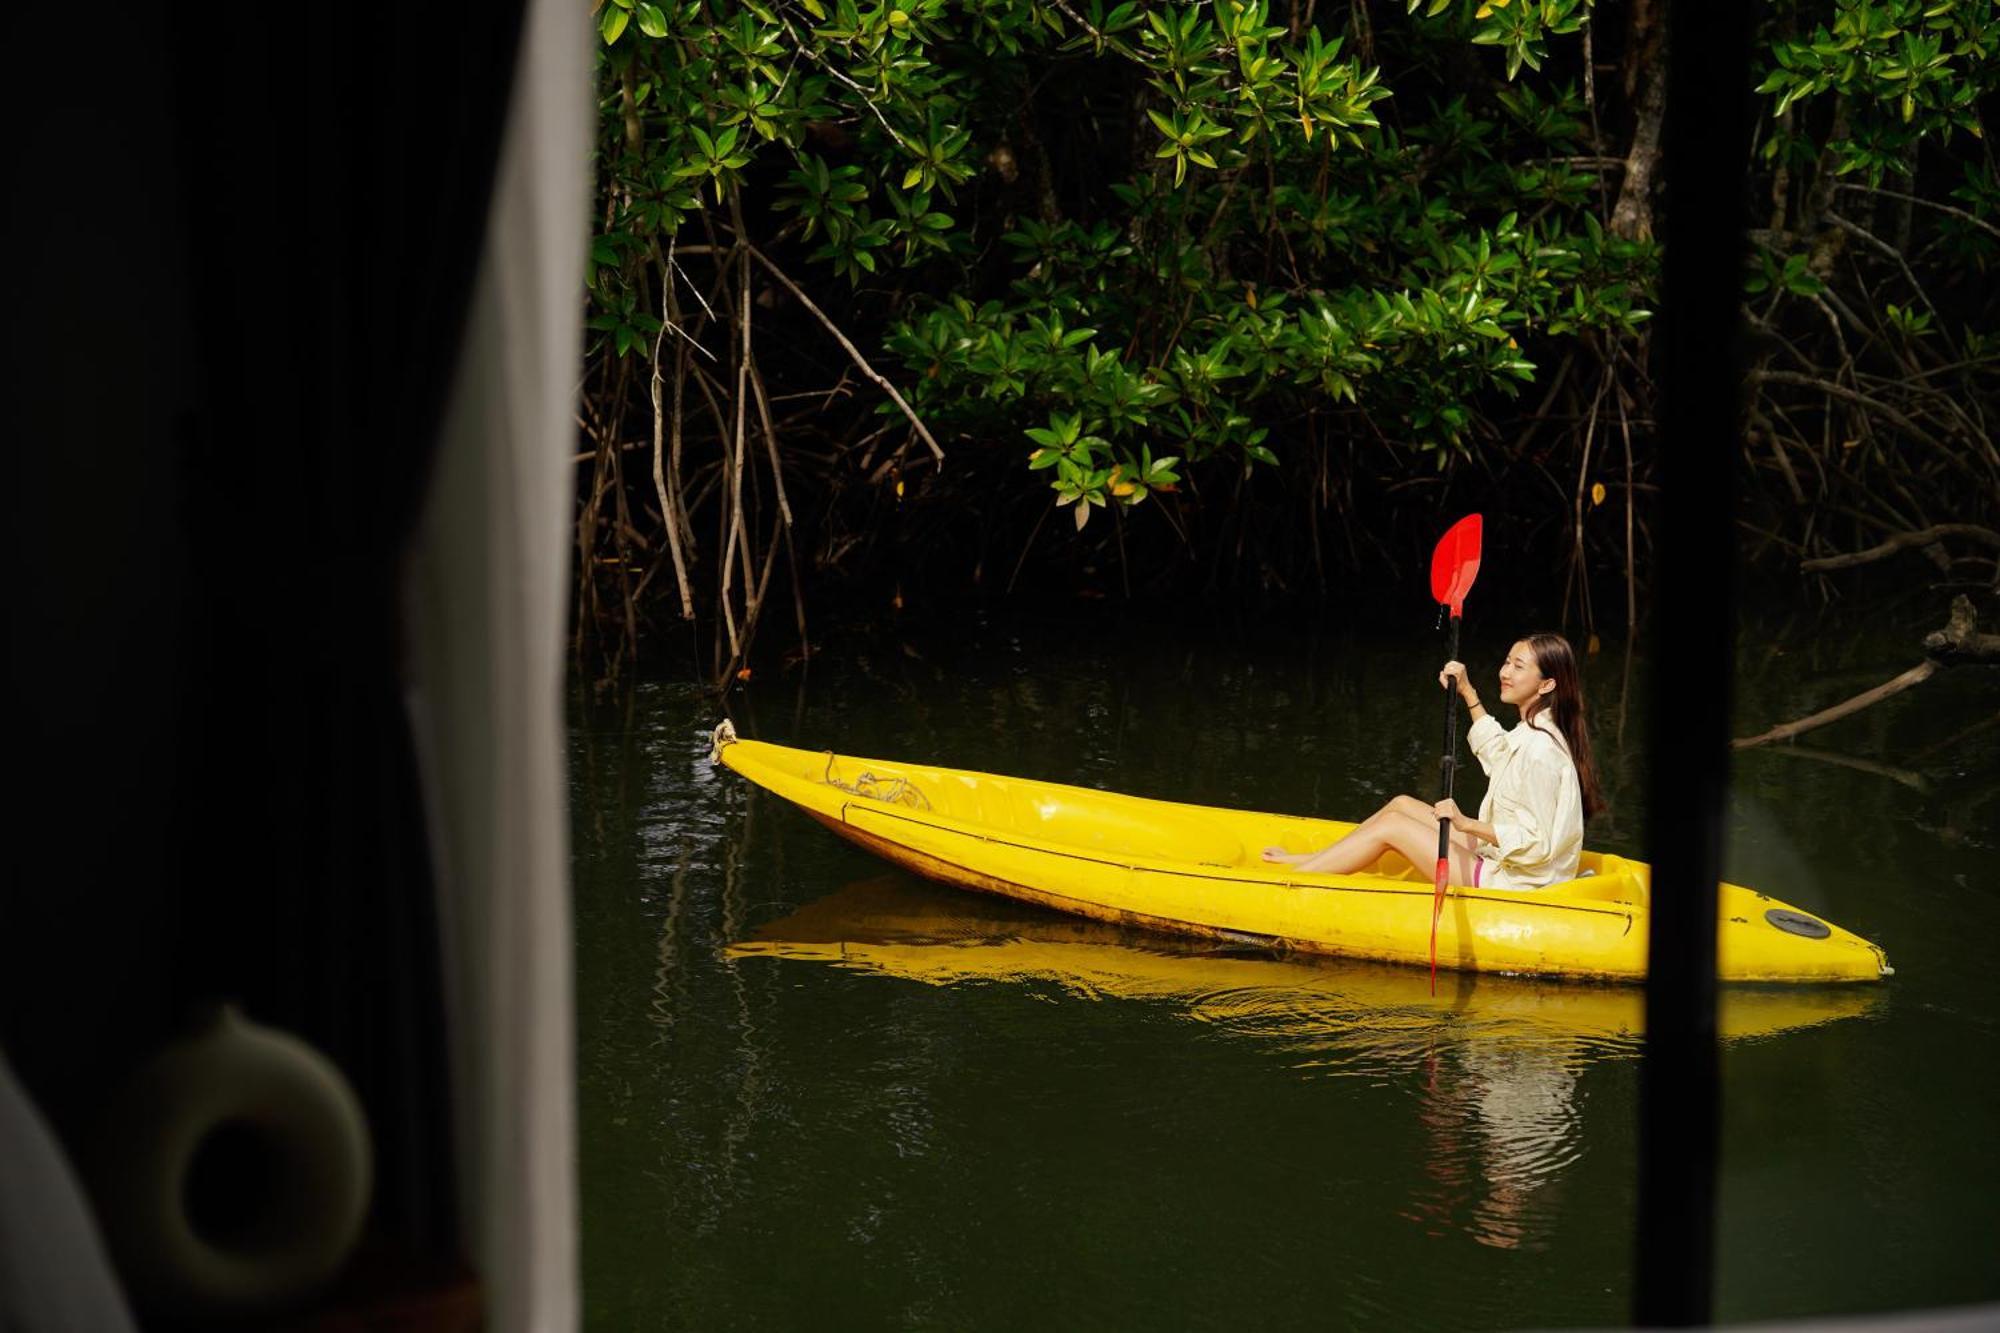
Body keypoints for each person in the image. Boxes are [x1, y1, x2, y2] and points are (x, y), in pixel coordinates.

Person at [1261, 633, 1605, 889]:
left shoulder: (1542, 751)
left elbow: (1537, 842)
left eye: (1518, 667)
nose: (1505, 672)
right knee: (1401, 805)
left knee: (1393, 827)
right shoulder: (1533, 730)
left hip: (1516, 880)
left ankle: (1290, 884)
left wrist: (1466, 823)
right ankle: (1313, 861)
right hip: (1507, 862)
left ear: (1546, 684)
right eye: (1507, 662)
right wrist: (1468, 692)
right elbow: (1498, 753)